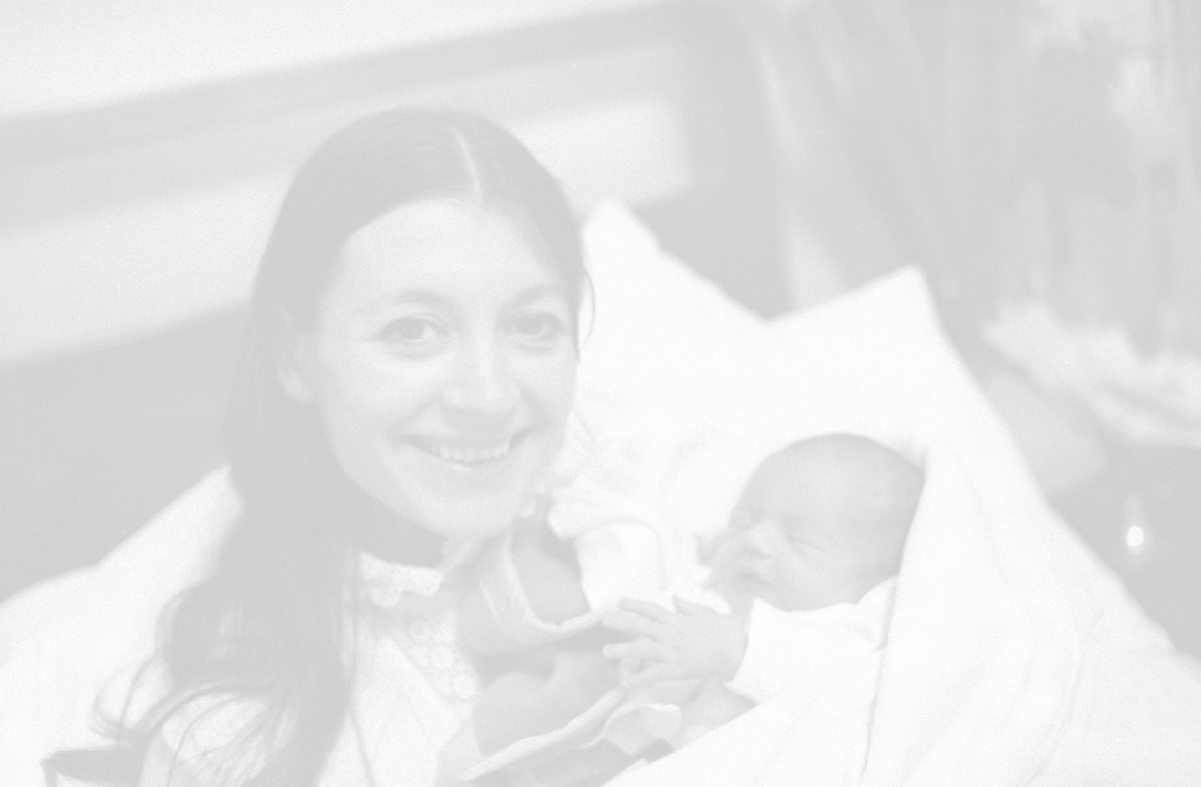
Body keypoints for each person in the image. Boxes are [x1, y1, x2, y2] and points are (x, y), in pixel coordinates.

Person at [36, 107, 593, 787]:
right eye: (413, 330)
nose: (489, 395)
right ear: (294, 356)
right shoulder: (225, 729)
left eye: (532, 324)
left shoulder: (665, 517)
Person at [603, 432, 923, 743]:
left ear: (874, 584)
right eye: (743, 522)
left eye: (799, 540)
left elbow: (843, 688)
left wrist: (735, 649)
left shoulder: (851, 634)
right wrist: (646, 655)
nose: (754, 540)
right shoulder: (705, 590)